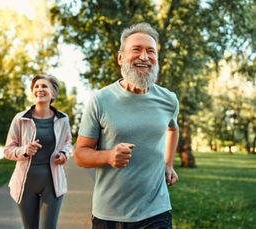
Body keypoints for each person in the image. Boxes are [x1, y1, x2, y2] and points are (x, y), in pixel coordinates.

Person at [75, 22, 179, 228]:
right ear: (121, 57)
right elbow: (80, 154)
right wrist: (108, 156)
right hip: (110, 215)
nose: (144, 57)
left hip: (156, 210)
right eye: (136, 50)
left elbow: (172, 129)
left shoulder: (169, 100)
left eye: (151, 51)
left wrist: (168, 163)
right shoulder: (100, 100)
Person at [4, 75, 72, 229]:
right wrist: (25, 150)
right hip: (25, 183)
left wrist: (64, 154)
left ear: (53, 94)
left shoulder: (63, 119)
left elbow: (67, 143)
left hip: (53, 183)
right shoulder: (20, 119)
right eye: (36, 87)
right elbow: (8, 150)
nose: (39, 89)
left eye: (44, 86)